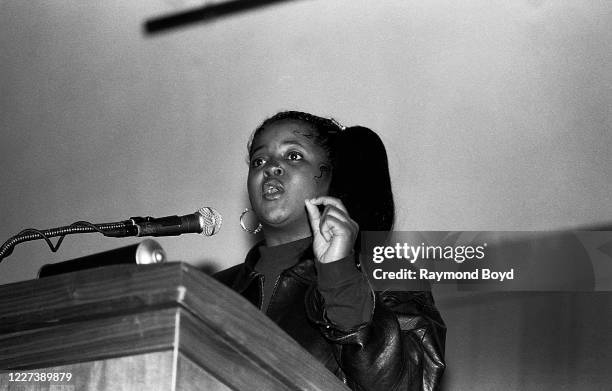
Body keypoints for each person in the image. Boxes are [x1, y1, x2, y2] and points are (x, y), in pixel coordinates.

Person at [214, 111, 446, 390]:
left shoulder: (388, 275)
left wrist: (339, 275)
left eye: (293, 156)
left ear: (332, 178)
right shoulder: (212, 289)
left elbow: (409, 384)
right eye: (258, 160)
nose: (271, 167)